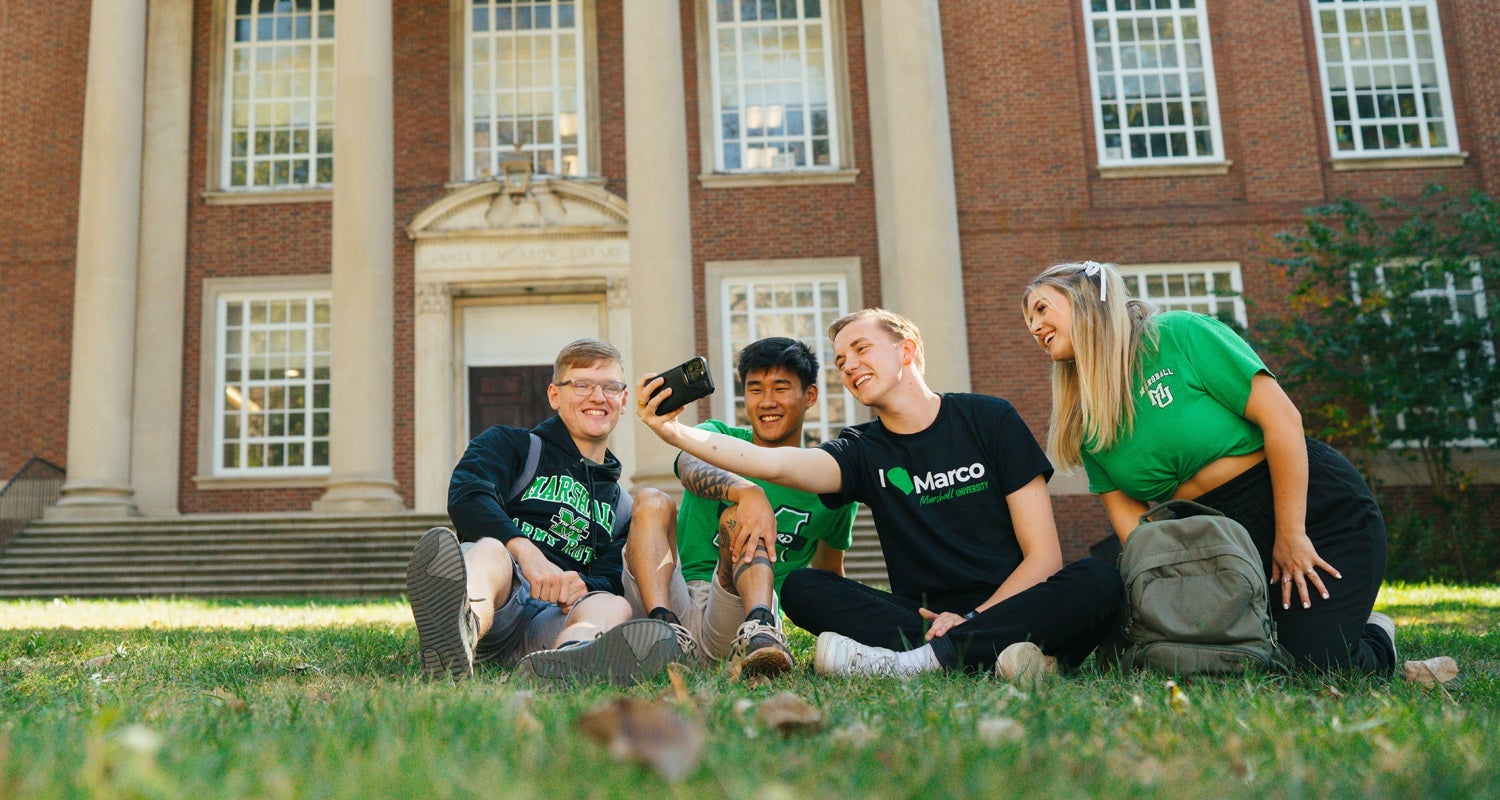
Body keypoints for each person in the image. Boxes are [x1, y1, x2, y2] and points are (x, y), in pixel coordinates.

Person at [636, 309, 1123, 679]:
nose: (849, 366)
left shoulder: (989, 418)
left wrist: (972, 619)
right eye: (842, 361)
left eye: (862, 349)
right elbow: (781, 462)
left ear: (906, 349)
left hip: (1013, 601)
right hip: (921, 616)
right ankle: (1012, 658)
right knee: (805, 589)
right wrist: (674, 431)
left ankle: (918, 663)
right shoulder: (860, 450)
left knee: (1097, 579)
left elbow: (1044, 556)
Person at [1022, 261, 1396, 675]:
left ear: (1087, 300)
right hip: (1214, 539)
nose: (1034, 328)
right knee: (1245, 662)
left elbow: (1283, 420)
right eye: (1029, 320)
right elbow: (1136, 529)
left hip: (1308, 508)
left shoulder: (1180, 335)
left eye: (1041, 309)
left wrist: (1291, 534)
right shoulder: (1086, 418)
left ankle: (1377, 634)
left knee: (1318, 665)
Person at [406, 338, 688, 684]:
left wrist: (580, 584)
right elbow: (468, 494)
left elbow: (611, 574)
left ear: (624, 400)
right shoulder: (510, 445)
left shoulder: (622, 507)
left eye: (610, 388)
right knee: (489, 551)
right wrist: (523, 550)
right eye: (582, 385)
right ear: (555, 395)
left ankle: (567, 662)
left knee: (614, 605)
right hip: (500, 599)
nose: (598, 398)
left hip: (553, 621)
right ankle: (460, 634)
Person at [623, 338, 857, 679]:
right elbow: (688, 463)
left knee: (742, 520)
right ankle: (661, 630)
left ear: (810, 396)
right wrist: (747, 492)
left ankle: (762, 632)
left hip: (737, 612)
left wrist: (849, 641)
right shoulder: (719, 436)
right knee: (650, 500)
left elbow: (830, 575)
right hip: (674, 594)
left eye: (780, 388)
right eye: (755, 389)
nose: (767, 402)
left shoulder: (827, 483)